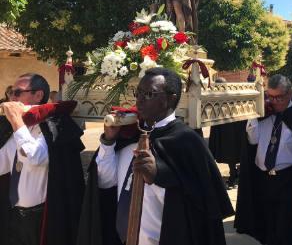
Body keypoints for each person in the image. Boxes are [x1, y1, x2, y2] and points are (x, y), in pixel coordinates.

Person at [78, 68, 233, 245]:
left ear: (171, 98)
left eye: (150, 93)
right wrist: (108, 142)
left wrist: (159, 175)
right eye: (139, 92)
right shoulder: (128, 136)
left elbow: (201, 207)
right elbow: (106, 183)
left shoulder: (187, 141)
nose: (140, 99)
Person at [0, 73, 85, 245]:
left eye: (17, 93)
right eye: (10, 92)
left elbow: (35, 158)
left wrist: (17, 122)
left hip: (42, 217)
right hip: (13, 214)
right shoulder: (14, 129)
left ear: (38, 95)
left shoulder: (54, 124)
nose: (12, 98)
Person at [235, 75, 292, 245]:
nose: (274, 101)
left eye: (279, 97)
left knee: (285, 229)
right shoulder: (264, 113)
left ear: (289, 94)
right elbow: (252, 142)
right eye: (270, 96)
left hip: (288, 179)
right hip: (263, 179)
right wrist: (253, 116)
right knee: (265, 227)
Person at [209, 77, 245, 189]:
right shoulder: (217, 95)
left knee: (232, 154)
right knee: (230, 155)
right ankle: (233, 174)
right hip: (224, 128)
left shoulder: (231, 96)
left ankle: (234, 177)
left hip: (232, 128)